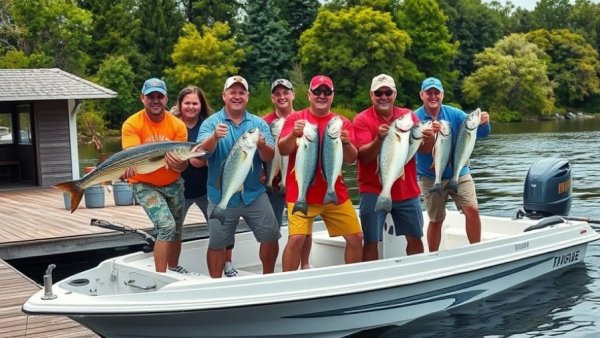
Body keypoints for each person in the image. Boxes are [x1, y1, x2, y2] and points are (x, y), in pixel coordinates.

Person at [198, 75, 281, 278]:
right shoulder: (211, 123)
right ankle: (215, 284)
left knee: (270, 236)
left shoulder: (258, 124)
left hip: (254, 194)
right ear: (224, 96)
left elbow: (269, 156)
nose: (237, 96)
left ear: (247, 96)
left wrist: (262, 144)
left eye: (241, 92)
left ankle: (268, 278)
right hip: (221, 195)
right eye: (232, 92)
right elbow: (200, 154)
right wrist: (214, 138)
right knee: (217, 243)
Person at [278, 75, 363, 271]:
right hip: (301, 192)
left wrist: (347, 142)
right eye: (317, 91)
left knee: (356, 237)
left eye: (326, 92)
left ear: (333, 96)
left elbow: (351, 159)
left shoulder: (342, 122)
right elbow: (283, 149)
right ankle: (286, 284)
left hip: (334, 191)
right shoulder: (295, 118)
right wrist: (293, 134)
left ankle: (352, 281)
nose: (321, 95)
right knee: (296, 239)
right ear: (309, 95)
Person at [121, 78, 191, 274]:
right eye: (150, 96)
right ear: (142, 98)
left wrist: (181, 163)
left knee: (176, 229)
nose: (155, 100)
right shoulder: (132, 124)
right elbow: (131, 157)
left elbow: (183, 163)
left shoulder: (177, 125)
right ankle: (161, 276)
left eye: (159, 96)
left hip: (173, 182)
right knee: (166, 226)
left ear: (166, 98)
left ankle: (174, 268)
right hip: (144, 183)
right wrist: (126, 169)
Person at [353, 74, 425, 261]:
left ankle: (416, 275)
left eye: (388, 92)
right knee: (370, 240)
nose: (383, 96)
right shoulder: (361, 119)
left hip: (407, 189)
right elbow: (365, 157)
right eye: (379, 92)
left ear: (395, 94)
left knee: (415, 237)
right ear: (371, 95)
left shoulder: (408, 116)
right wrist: (378, 139)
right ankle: (371, 281)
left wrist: (430, 136)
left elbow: (423, 148)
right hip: (373, 190)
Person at [415, 77, 491, 252]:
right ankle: (433, 256)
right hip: (430, 176)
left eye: (436, 93)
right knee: (436, 220)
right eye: (429, 93)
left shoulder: (456, 114)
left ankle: (476, 251)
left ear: (442, 95)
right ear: (422, 95)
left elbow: (479, 132)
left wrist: (484, 123)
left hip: (460, 171)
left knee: (472, 210)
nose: (433, 96)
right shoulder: (416, 117)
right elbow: (419, 150)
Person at [173, 87, 238, 277]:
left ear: (201, 105)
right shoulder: (173, 125)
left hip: (208, 188)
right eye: (187, 103)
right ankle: (173, 265)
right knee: (174, 230)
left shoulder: (210, 125)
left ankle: (227, 262)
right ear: (180, 104)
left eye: (195, 103)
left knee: (221, 225)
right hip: (179, 188)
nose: (191, 107)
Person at [263, 78, 312, 269]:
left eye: (286, 92)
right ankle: (268, 273)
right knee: (270, 231)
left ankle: (305, 264)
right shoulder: (264, 122)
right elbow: (259, 153)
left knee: (305, 228)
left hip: (299, 182)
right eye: (277, 94)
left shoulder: (304, 119)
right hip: (272, 183)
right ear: (272, 98)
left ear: (293, 94)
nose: (282, 97)